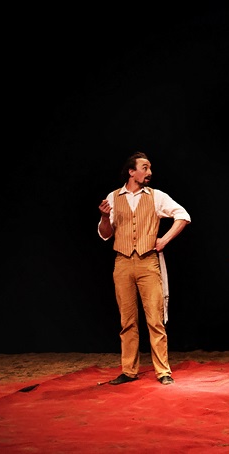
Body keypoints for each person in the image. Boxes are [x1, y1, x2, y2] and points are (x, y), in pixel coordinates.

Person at [97, 152, 191, 385]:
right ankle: (129, 370)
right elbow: (105, 234)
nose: (149, 172)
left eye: (149, 168)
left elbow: (183, 215)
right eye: (145, 168)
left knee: (155, 319)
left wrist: (164, 239)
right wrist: (105, 218)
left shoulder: (156, 196)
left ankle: (163, 371)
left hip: (148, 261)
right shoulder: (113, 197)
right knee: (127, 320)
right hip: (122, 262)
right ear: (131, 172)